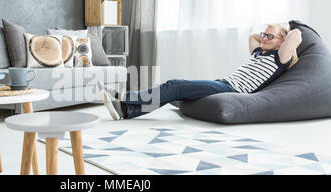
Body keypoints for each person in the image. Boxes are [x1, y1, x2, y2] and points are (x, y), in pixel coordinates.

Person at [98, 24, 303, 120]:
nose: (264, 38)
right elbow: (252, 36)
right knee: (177, 93)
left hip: (233, 89)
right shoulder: (259, 53)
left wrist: (285, 31)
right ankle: (127, 111)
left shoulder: (280, 58)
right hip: (224, 82)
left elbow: (296, 35)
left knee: (175, 85)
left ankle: (125, 96)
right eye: (264, 34)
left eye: (270, 36)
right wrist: (268, 34)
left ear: (282, 42)